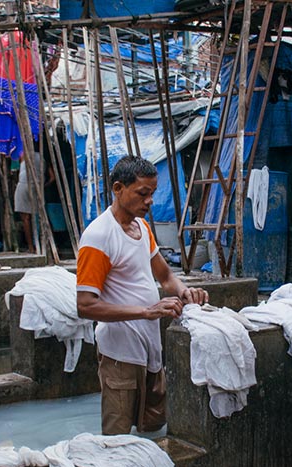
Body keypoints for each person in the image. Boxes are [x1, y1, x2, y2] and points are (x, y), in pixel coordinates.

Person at [76, 155, 208, 435]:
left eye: (152, 194)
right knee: (118, 437)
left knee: (154, 427)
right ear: (118, 189)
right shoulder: (98, 236)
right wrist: (147, 311)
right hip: (120, 353)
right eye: (142, 193)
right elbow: (85, 306)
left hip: (150, 348)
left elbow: (165, 276)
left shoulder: (142, 228)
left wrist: (186, 292)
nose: (149, 201)